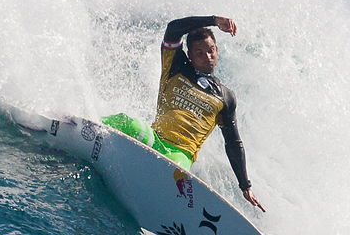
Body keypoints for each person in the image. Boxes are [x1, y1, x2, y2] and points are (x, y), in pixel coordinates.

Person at [104, 15, 265, 212]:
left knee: (175, 172)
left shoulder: (226, 97)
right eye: (200, 52)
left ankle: (160, 204)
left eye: (211, 50)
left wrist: (245, 186)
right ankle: (76, 125)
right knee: (127, 123)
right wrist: (214, 21)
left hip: (180, 154)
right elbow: (173, 28)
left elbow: (233, 142)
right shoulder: (176, 66)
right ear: (190, 55)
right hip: (154, 138)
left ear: (217, 50)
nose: (207, 56)